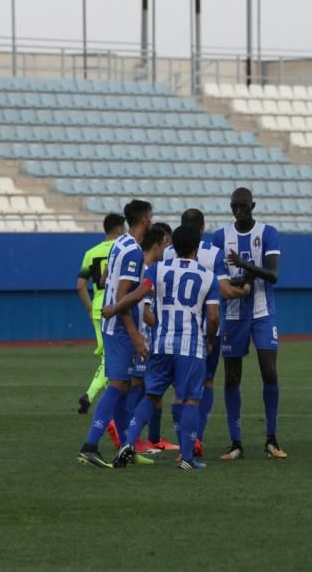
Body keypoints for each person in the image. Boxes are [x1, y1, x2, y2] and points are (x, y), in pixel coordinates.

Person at [106, 225, 221, 470]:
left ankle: (128, 443)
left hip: (161, 343)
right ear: (196, 247)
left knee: (151, 395)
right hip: (191, 346)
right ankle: (187, 458)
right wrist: (209, 339)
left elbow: (137, 296)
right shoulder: (208, 276)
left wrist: (114, 308)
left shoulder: (158, 269)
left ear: (173, 247)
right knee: (190, 400)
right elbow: (213, 317)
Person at [165, 208, 251, 458]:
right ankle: (197, 437)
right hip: (204, 329)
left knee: (177, 389)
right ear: (203, 229)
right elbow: (224, 289)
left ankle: (182, 439)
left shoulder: (167, 252)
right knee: (207, 382)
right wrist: (244, 290)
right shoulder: (213, 253)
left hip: (171, 330)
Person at [77, 199, 154, 469]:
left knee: (124, 386)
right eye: (151, 217)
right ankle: (90, 444)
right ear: (144, 219)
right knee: (118, 385)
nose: (152, 221)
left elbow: (105, 279)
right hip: (121, 329)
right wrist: (134, 334)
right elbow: (122, 297)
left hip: (113, 327)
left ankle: (126, 447)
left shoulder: (119, 243)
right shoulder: (132, 250)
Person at [212, 187, 286, 460]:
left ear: (253, 205)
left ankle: (271, 439)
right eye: (235, 206)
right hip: (232, 316)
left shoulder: (268, 233)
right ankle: (236, 443)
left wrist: (244, 266)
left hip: (262, 313)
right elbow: (220, 281)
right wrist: (248, 277)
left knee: (269, 371)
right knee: (232, 377)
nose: (239, 211)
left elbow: (273, 275)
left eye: (244, 206)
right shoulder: (220, 237)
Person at [122, 228, 167, 456]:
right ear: (157, 245)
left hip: (140, 335)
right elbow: (147, 312)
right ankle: (133, 439)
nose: (167, 250)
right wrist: (164, 326)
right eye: (165, 244)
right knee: (138, 386)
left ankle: (140, 438)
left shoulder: (145, 268)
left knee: (141, 386)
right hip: (143, 336)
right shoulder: (148, 271)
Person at [75, 213, 125, 416]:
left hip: (97, 307)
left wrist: (89, 308)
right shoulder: (123, 250)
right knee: (111, 358)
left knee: (108, 356)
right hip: (117, 306)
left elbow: (80, 286)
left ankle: (107, 401)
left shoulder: (91, 253)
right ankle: (91, 394)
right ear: (120, 229)